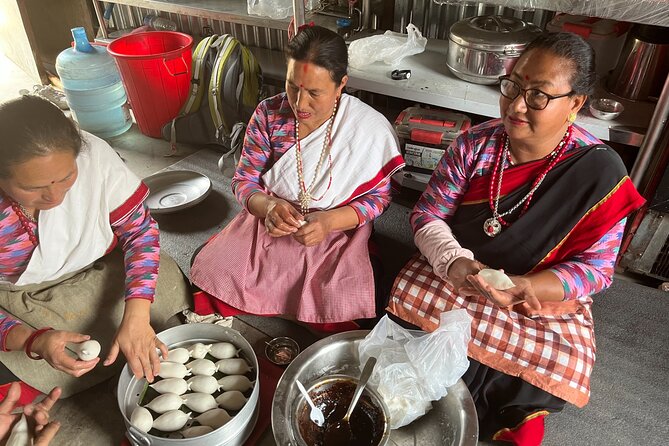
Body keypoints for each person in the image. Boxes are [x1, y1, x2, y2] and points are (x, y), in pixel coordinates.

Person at [387, 32, 645, 445]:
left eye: (539, 95)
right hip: (462, 270)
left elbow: (596, 270)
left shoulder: (600, 172)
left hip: (538, 292)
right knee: (405, 330)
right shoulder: (475, 146)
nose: (517, 105)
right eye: (513, 87)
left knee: (545, 372)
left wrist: (528, 286)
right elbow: (428, 214)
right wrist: (453, 260)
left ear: (575, 104)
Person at [191, 25, 404, 326]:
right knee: (213, 271)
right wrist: (268, 208)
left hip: (337, 228)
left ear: (341, 84)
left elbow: (380, 199)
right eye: (293, 86)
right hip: (272, 221)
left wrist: (329, 221)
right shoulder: (268, 114)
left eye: (315, 93)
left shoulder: (366, 128)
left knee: (360, 298)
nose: (300, 103)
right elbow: (244, 181)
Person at [0, 96, 191, 398]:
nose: (54, 197)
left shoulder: (93, 157)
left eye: (66, 177)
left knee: (165, 276)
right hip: (23, 298)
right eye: (33, 188)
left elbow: (139, 231)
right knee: (12, 376)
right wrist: (33, 342)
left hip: (99, 268)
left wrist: (137, 316)